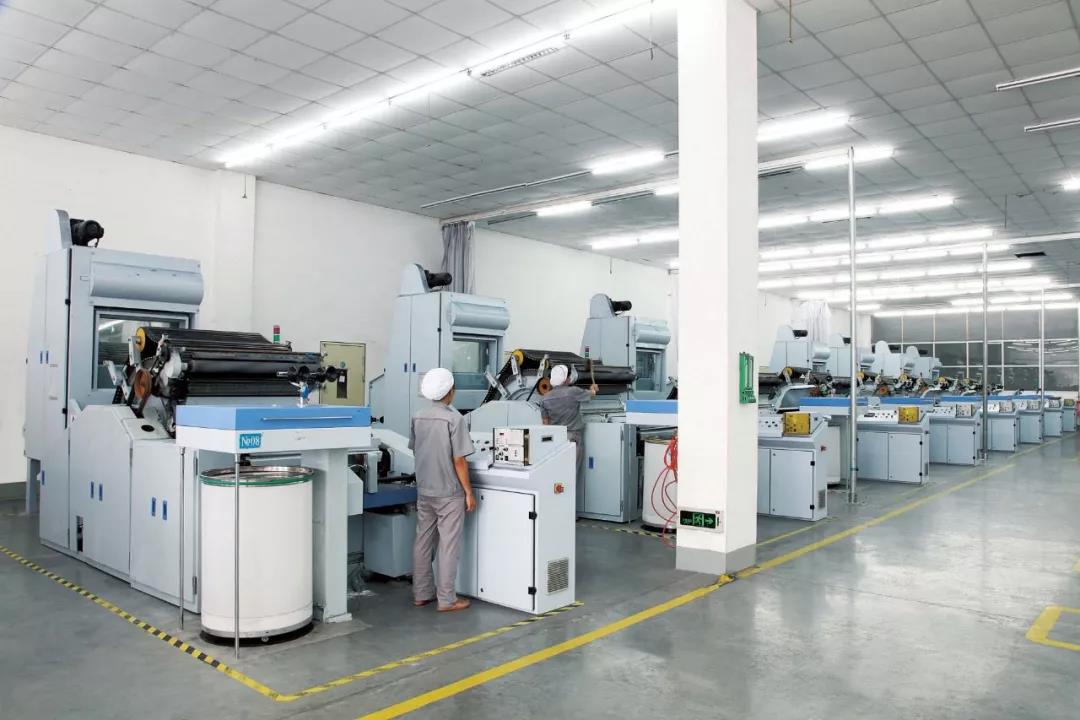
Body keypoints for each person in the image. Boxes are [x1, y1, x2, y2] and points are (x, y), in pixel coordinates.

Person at [410, 367, 476, 612]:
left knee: (423, 541)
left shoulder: (418, 416)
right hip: (449, 492)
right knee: (448, 545)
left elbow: (417, 449)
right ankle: (447, 600)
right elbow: (459, 460)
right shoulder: (454, 419)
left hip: (425, 489)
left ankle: (421, 594)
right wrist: (468, 492)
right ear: (450, 391)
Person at [538, 364, 598, 486]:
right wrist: (593, 388)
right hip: (573, 438)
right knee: (571, 473)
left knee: (557, 472)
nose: (570, 378)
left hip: (555, 439)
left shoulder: (544, 399)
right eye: (568, 376)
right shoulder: (573, 391)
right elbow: (592, 394)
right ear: (565, 379)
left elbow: (545, 423)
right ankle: (569, 497)